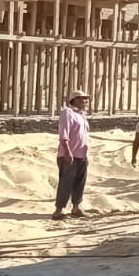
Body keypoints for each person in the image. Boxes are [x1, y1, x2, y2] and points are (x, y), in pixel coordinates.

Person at [53, 90, 91, 220]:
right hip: (69, 154)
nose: (85, 101)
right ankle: (59, 209)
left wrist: (86, 155)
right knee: (66, 182)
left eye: (86, 99)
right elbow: (64, 134)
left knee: (80, 181)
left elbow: (84, 137)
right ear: (74, 100)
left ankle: (76, 207)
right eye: (81, 99)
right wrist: (67, 151)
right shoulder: (67, 113)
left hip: (82, 154)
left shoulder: (82, 115)